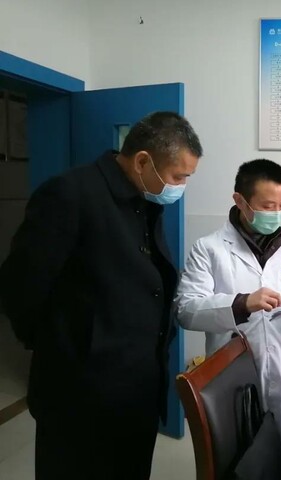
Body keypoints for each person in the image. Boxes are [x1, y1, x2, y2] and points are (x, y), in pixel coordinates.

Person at [0, 112, 203, 479]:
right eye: (178, 176)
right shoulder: (70, 194)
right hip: (80, 396)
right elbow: (20, 287)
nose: (181, 186)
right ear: (142, 161)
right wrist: (65, 346)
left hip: (136, 391)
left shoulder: (145, 199)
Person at [174, 159, 281, 480]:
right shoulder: (209, 249)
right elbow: (186, 309)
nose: (277, 214)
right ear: (240, 201)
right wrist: (242, 303)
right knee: (239, 461)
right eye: (268, 206)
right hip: (233, 376)